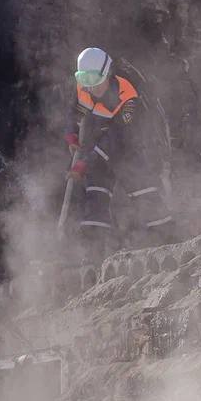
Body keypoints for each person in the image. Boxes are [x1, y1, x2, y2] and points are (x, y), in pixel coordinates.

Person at [67, 47, 173, 250]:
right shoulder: (85, 87)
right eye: (84, 79)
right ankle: (93, 252)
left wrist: (84, 163)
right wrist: (71, 134)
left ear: (107, 73)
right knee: (95, 196)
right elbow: (74, 112)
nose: (91, 87)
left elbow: (115, 139)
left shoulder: (128, 97)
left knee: (143, 192)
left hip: (129, 147)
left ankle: (167, 242)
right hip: (99, 144)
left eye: (94, 80)